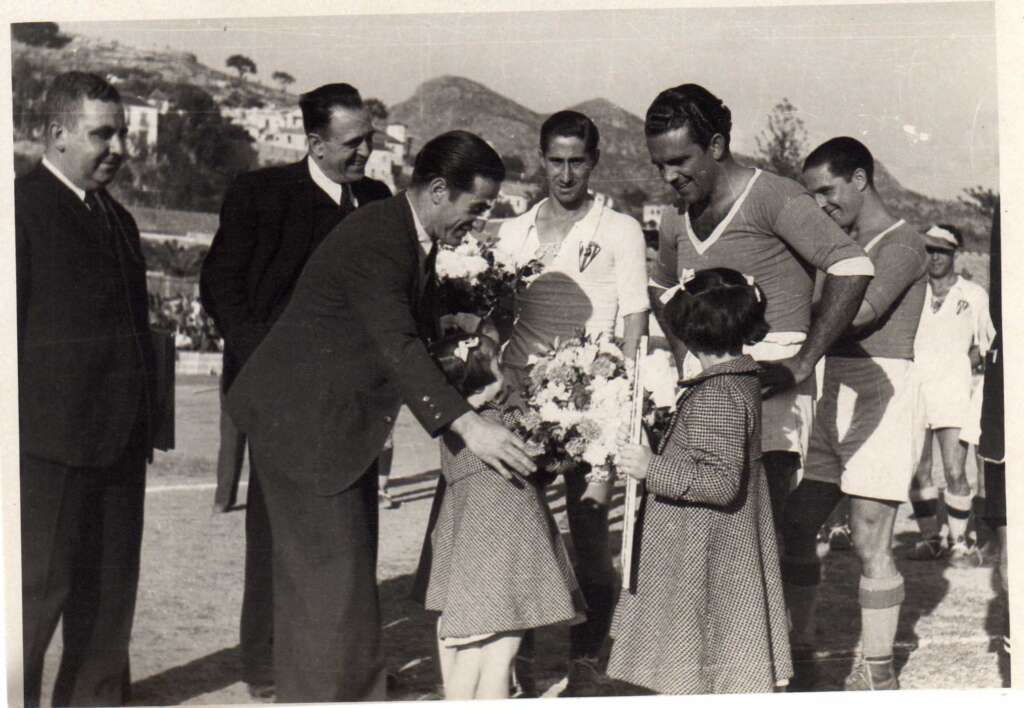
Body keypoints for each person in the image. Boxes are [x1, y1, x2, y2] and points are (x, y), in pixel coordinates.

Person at [225, 130, 536, 702]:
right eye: (478, 208)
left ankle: (355, 690)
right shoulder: (381, 239)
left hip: (333, 426)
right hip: (301, 424)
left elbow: (409, 330)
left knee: (343, 581)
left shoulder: (406, 232)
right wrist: (469, 425)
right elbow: (396, 345)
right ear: (440, 190)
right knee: (326, 587)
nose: (481, 221)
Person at [199, 82, 391, 697]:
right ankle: (267, 663)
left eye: (370, 139)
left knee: (354, 528)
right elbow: (221, 288)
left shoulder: (378, 200)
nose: (365, 152)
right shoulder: (261, 193)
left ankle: (343, 660)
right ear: (314, 142)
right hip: (280, 397)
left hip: (354, 403)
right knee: (275, 533)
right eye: (352, 143)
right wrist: (271, 368)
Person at [644, 84, 873, 527]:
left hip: (772, 381)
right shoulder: (675, 214)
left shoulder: (774, 196)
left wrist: (803, 362)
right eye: (659, 165)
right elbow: (661, 284)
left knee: (765, 527)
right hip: (705, 385)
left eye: (678, 161)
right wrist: (684, 357)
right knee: (706, 525)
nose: (668, 177)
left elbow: (853, 264)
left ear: (716, 145)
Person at [15, 71, 159, 707]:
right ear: (55, 134)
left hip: (121, 446)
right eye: (103, 134)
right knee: (28, 606)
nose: (119, 149)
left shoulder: (120, 220)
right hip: (45, 451)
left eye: (123, 134)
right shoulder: (19, 212)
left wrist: (149, 425)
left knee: (107, 609)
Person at [494, 109, 649, 695]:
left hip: (594, 407)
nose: (565, 173)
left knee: (588, 531)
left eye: (576, 161)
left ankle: (587, 662)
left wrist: (622, 397)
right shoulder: (514, 231)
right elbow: (499, 317)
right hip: (525, 405)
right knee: (524, 534)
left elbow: (635, 314)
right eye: (555, 161)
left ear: (594, 161)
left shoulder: (621, 229)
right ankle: (523, 663)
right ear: (541, 159)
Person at [786, 137, 927, 690]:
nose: (820, 203)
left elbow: (860, 314)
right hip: (833, 387)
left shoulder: (904, 241)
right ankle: (800, 651)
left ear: (861, 180)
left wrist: (796, 313)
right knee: (797, 526)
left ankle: (879, 673)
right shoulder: (838, 244)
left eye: (827, 190)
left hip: (884, 389)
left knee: (871, 537)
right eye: (812, 194)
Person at [609, 268, 791, 694]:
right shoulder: (737, 383)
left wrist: (650, 468)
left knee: (699, 657)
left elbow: (720, 481)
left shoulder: (717, 394)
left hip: (705, 548)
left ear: (692, 330)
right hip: (722, 543)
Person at [417, 333, 585, 700]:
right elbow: (539, 463)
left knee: (470, 654)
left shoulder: (453, 428)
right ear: (485, 376)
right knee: (498, 656)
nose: (503, 370)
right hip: (501, 559)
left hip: (468, 557)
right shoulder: (496, 428)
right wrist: (574, 448)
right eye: (497, 364)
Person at [906, 224, 994, 565]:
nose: (935, 257)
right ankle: (930, 539)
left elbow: (986, 344)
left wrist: (960, 362)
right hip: (915, 389)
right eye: (929, 249)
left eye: (942, 250)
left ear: (955, 253)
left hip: (954, 391)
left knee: (956, 470)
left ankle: (961, 543)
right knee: (918, 468)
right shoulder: (912, 292)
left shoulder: (973, 294)